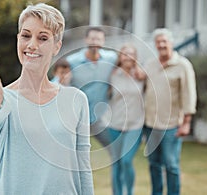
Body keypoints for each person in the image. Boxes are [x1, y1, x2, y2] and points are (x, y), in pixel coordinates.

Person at [0, 3, 94, 195]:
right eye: (26, 36)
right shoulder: (3, 99)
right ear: (18, 40)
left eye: (42, 38)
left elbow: (83, 166)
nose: (32, 44)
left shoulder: (76, 100)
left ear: (57, 46)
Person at [143, 28, 197, 195]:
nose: (161, 45)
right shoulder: (150, 64)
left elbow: (189, 95)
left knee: (171, 165)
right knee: (154, 164)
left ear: (171, 43)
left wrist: (186, 123)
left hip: (172, 125)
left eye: (164, 41)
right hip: (150, 124)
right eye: (158, 42)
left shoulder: (183, 65)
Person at [66, 27, 117, 148]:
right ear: (86, 40)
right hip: (77, 117)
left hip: (100, 117)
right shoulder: (72, 61)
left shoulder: (112, 59)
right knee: (73, 152)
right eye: (92, 38)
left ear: (104, 41)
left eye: (99, 39)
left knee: (115, 149)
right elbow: (58, 81)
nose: (95, 42)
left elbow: (126, 66)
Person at [106, 44, 145, 195]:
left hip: (135, 125)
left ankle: (129, 192)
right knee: (116, 163)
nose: (128, 57)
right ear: (120, 57)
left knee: (126, 161)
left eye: (131, 53)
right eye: (124, 54)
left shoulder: (141, 76)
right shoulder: (112, 75)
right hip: (115, 125)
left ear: (135, 57)